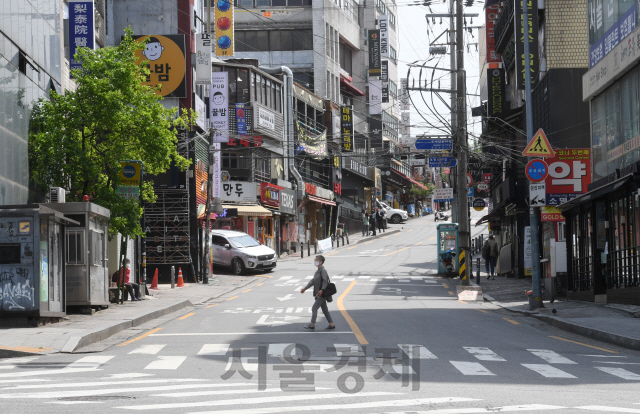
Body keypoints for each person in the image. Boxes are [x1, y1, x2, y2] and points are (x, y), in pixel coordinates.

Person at [300, 255, 335, 330]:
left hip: (322, 293)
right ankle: (331, 324)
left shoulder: (323, 271)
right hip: (319, 293)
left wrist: (322, 290)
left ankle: (312, 324)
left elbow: (325, 282)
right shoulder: (317, 271)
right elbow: (313, 281)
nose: (315, 261)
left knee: (314, 308)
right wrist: (305, 288)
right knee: (325, 310)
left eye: (316, 260)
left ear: (320, 262)